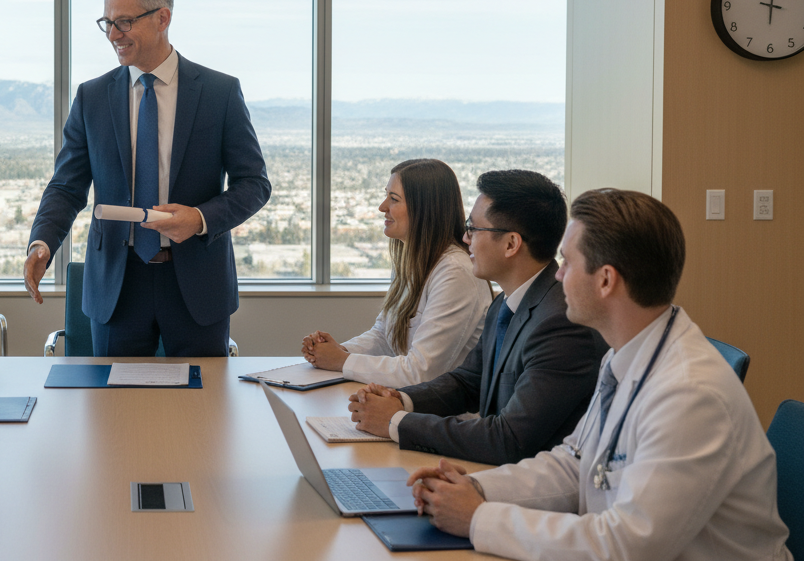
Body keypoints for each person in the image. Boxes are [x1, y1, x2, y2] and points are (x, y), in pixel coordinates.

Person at [409, 189, 792, 561]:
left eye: (568, 263)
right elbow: (575, 465)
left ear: (606, 280)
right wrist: (475, 487)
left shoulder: (690, 395)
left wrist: (478, 517)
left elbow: (627, 546)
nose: (557, 276)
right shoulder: (624, 356)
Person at [23, 0, 270, 357]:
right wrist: (42, 242)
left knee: (202, 414)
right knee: (114, 414)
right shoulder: (92, 97)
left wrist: (200, 218)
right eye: (107, 23)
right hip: (117, 288)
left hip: (196, 285)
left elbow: (254, 184)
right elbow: (67, 186)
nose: (113, 35)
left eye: (123, 22)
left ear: (162, 18)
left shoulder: (220, 93)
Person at [347, 170, 608, 465]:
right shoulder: (506, 304)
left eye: (473, 228)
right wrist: (401, 399)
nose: (464, 237)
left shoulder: (561, 324)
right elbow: (467, 382)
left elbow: (508, 439)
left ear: (511, 244)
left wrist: (396, 422)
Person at [301, 158, 491, 386]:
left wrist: (342, 361)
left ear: (424, 208)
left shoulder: (456, 272)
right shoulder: (413, 260)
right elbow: (385, 335)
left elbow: (421, 371)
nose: (382, 207)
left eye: (393, 199)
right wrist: (337, 351)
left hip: (443, 416)